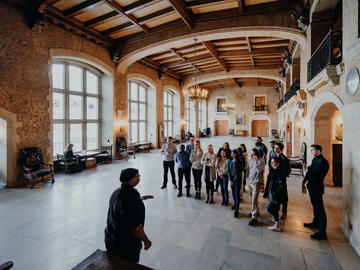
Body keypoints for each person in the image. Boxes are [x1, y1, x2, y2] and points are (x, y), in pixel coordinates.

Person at [104, 168, 153, 263]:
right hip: (125, 246)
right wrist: (146, 241)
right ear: (130, 180)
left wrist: (139, 198)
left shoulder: (117, 192)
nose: (139, 178)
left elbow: (122, 205)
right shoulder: (132, 201)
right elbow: (136, 229)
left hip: (111, 238)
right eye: (137, 176)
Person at [302, 144, 329, 240]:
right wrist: (304, 181)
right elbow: (310, 172)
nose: (311, 152)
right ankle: (315, 223)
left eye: (312, 150)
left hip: (317, 188)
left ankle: (322, 232)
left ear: (318, 151)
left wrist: (309, 169)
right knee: (315, 206)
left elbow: (316, 174)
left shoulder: (323, 162)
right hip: (312, 187)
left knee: (320, 208)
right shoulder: (315, 160)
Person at [264, 157, 286, 232]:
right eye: (271, 162)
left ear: (278, 163)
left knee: (270, 208)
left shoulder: (279, 171)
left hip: (277, 195)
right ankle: (276, 223)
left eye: (273, 162)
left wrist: (274, 193)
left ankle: (277, 223)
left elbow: (281, 185)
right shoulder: (273, 170)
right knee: (275, 209)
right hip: (273, 194)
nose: (272, 163)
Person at [246, 148, 265, 226]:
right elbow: (248, 169)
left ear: (257, 154)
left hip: (257, 183)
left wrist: (256, 161)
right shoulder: (250, 160)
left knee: (254, 200)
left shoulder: (261, 161)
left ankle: (254, 217)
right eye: (251, 154)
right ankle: (256, 211)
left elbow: (259, 171)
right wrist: (247, 177)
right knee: (253, 199)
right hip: (250, 182)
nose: (252, 155)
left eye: (253, 154)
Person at [274, 142, 291, 220]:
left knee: (284, 196)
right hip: (277, 179)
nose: (275, 149)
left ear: (280, 149)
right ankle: (277, 208)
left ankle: (284, 212)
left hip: (281, 180)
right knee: (277, 194)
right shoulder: (276, 156)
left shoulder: (283, 158)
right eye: (274, 148)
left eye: (276, 148)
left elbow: (287, 170)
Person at [228, 149, 243, 217]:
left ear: (236, 154)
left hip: (237, 180)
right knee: (233, 193)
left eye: (234, 153)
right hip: (232, 180)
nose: (232, 154)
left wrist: (233, 180)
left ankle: (237, 210)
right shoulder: (230, 160)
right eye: (232, 153)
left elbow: (239, 172)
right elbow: (228, 170)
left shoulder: (239, 161)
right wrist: (230, 180)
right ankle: (235, 204)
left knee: (237, 194)